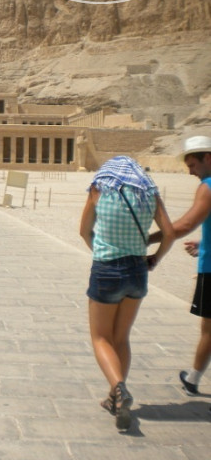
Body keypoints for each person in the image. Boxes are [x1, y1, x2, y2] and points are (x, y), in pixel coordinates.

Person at [79, 156, 174, 430]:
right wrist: (154, 258)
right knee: (121, 337)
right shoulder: (148, 191)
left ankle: (119, 389)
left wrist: (102, 252)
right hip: (138, 271)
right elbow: (169, 233)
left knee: (101, 338)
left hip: (107, 270)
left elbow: (84, 231)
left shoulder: (100, 188)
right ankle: (114, 397)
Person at [148, 135, 211, 397]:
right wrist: (204, 243)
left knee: (209, 329)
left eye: (193, 165)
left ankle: (194, 378)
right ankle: (194, 378)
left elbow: (185, 225)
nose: (190, 172)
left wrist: (148, 239)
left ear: (208, 158)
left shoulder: (207, 187)